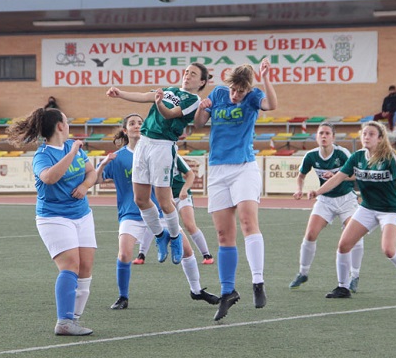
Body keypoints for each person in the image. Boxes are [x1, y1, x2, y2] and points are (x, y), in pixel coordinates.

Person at [95, 113, 219, 310]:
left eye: (140, 123)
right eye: (132, 123)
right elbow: (96, 180)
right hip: (131, 214)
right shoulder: (118, 157)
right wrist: (102, 164)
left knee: (187, 250)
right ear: (125, 131)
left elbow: (182, 173)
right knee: (124, 254)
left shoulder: (157, 151)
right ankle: (122, 297)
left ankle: (196, 291)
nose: (137, 126)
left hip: (159, 213)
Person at [308, 121, 396, 302]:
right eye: (364, 134)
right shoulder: (357, 157)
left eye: (371, 134)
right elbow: (339, 178)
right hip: (367, 207)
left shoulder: (389, 157)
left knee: (388, 250)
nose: (366, 137)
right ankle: (343, 287)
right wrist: (317, 192)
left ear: (380, 139)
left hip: (390, 210)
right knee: (343, 245)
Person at [193, 58, 277, 321]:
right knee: (222, 233)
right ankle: (228, 292)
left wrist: (265, 78)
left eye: (240, 91)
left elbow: (271, 105)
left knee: (247, 221)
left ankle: (257, 281)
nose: (235, 94)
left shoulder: (253, 96)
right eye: (233, 89)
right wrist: (202, 108)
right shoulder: (218, 93)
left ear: (247, 88)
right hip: (218, 169)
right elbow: (198, 124)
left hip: (243, 166)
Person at [105, 63, 211, 267]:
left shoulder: (194, 100)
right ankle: (161, 236)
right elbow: (145, 96)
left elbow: (170, 114)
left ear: (202, 82)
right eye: (187, 72)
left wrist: (160, 102)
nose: (187, 76)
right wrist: (120, 94)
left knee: (164, 201)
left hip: (163, 146)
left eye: (193, 74)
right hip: (144, 143)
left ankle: (175, 237)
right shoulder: (169, 90)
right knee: (140, 199)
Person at [6, 107, 98, 336]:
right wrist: (72, 152)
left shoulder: (71, 147)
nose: (68, 125)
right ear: (60, 126)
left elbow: (91, 172)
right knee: (70, 266)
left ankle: (73, 319)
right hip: (54, 217)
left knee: (85, 267)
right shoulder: (43, 154)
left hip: (82, 214)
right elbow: (48, 178)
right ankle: (64, 321)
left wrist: (86, 186)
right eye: (66, 121)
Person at [289, 122, 364, 292]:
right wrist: (299, 190)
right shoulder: (311, 156)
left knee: (356, 237)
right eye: (320, 133)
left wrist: (338, 176)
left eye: (327, 133)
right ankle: (303, 272)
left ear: (333, 137)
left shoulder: (342, 153)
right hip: (325, 200)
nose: (323, 136)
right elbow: (301, 176)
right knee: (310, 233)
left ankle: (355, 275)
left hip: (346, 200)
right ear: (316, 136)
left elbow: (356, 174)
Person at [132, 154, 214, 265]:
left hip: (181, 195)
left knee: (189, 224)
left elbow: (190, 175)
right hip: (164, 196)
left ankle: (207, 255)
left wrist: (184, 189)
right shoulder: (152, 157)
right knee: (154, 221)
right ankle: (141, 255)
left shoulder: (174, 156)